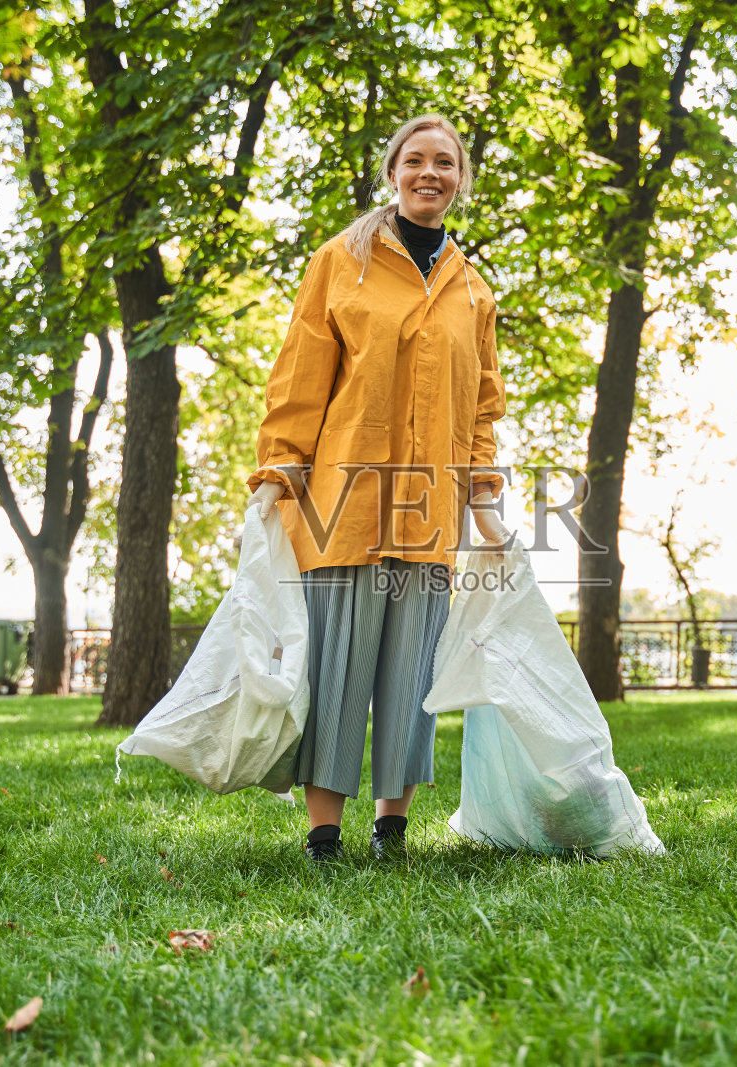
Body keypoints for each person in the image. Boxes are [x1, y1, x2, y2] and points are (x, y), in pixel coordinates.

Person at [244, 115, 511, 863]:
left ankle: (392, 827)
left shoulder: (474, 292)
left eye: (446, 163)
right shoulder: (341, 262)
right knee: (337, 668)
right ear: (392, 171)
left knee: (411, 674)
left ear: (462, 179)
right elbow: (299, 372)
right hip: (343, 503)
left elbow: (482, 408)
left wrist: (483, 493)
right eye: (416, 160)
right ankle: (323, 834)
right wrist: (279, 465)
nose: (431, 173)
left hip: (431, 510)